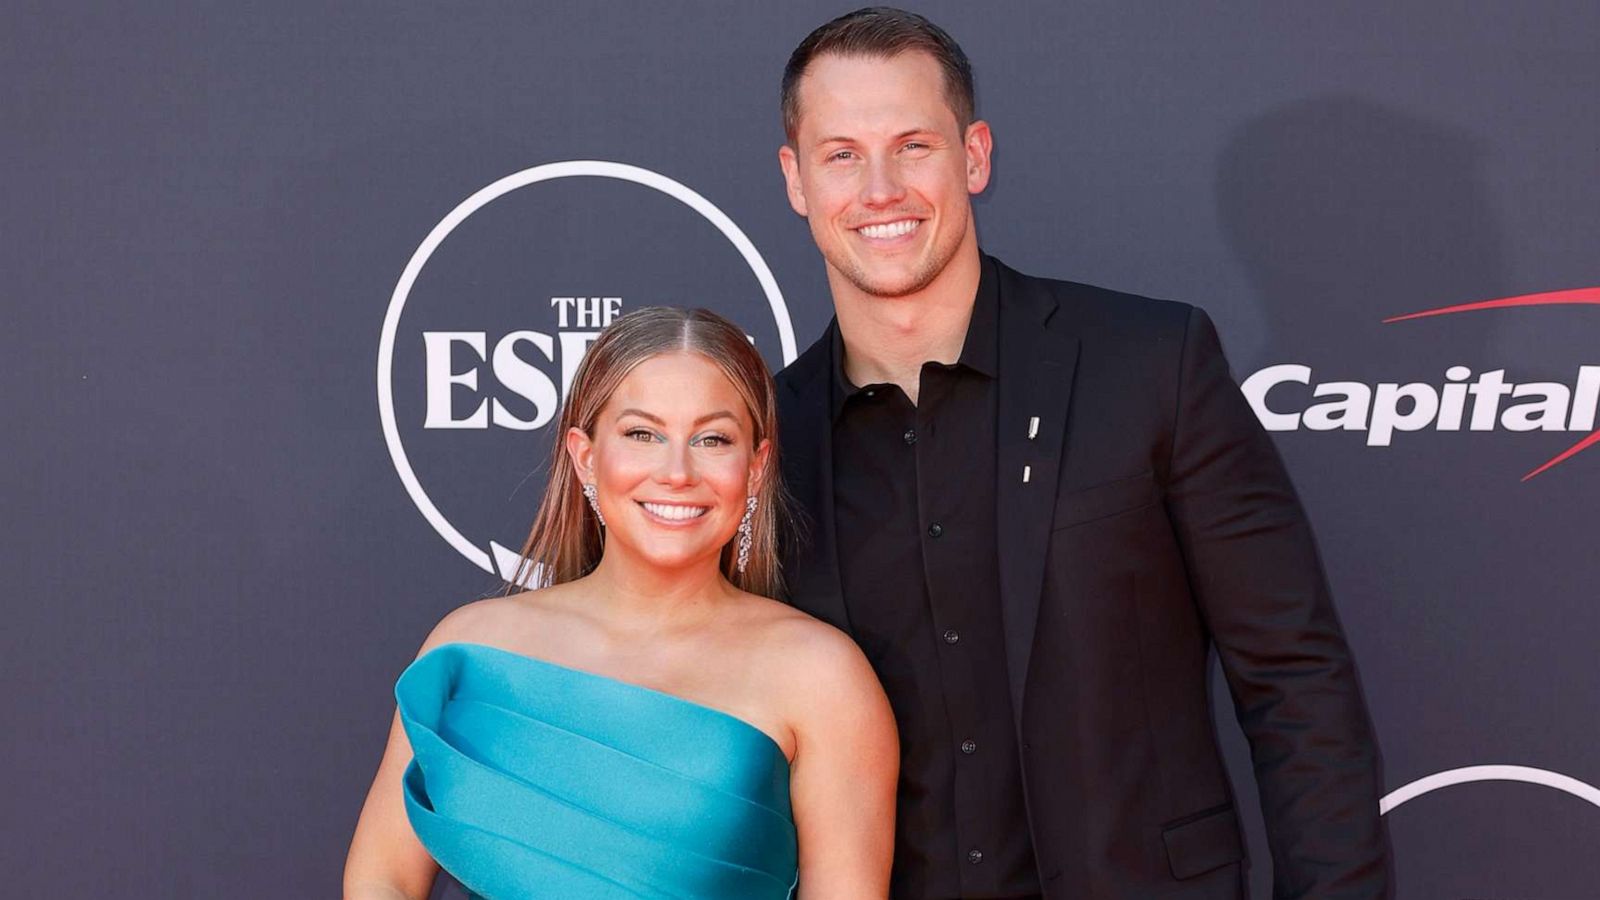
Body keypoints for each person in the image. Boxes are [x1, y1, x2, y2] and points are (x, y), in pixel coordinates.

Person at [772, 8, 1389, 899]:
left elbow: (1295, 679)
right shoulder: (766, 442)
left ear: (974, 155)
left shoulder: (1149, 363)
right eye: (840, 154)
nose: (880, 189)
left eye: (913, 145)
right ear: (796, 180)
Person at [343, 308, 898, 900]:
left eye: (712, 439)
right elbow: (383, 877)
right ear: (584, 455)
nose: (677, 471)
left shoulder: (821, 675)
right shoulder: (472, 647)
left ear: (756, 468)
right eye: (642, 434)